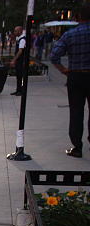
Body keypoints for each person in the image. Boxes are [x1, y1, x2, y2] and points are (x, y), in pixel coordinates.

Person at [51, 4, 90, 158]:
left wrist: (64, 70)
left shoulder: (70, 34)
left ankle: (77, 147)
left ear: (77, 18)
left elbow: (54, 56)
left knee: (76, 112)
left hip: (76, 76)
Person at [10, 26, 27, 96]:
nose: (14, 32)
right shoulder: (19, 39)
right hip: (19, 60)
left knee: (20, 76)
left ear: (20, 31)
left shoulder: (22, 40)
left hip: (21, 60)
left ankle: (20, 91)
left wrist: (14, 60)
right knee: (18, 76)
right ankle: (18, 90)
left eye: (15, 31)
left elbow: (20, 51)